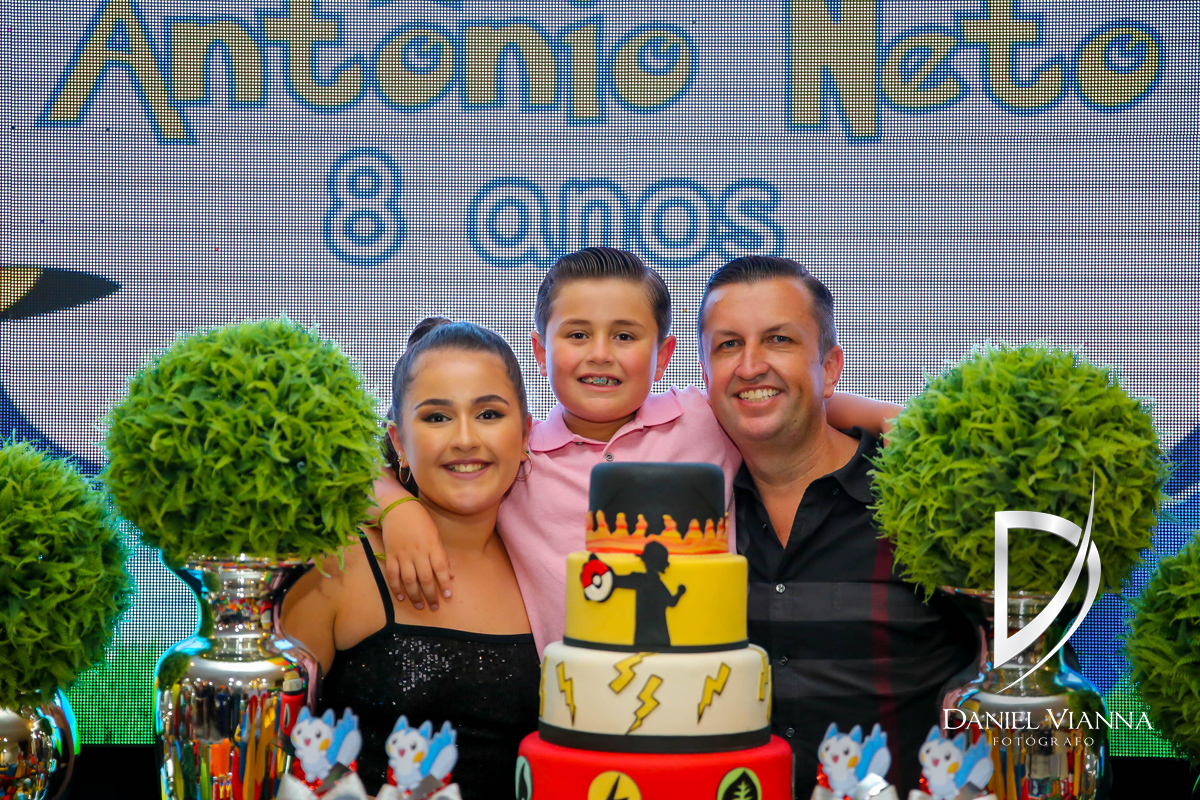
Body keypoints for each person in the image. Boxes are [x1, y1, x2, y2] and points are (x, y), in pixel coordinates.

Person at [372, 247, 897, 654]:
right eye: (577, 335)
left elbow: (786, 397)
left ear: (663, 355)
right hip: (581, 716)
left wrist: (890, 419)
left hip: (705, 705)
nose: (600, 355)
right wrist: (397, 509)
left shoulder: (702, 419)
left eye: (624, 336)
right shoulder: (519, 453)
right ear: (540, 351)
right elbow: (375, 461)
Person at [696, 255, 979, 798]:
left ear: (829, 369)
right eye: (728, 345)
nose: (750, 365)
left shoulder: (924, 498)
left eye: (779, 340)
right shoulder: (690, 510)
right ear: (705, 379)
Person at [280, 318, 541, 796]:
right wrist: (396, 508)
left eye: (489, 414)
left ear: (525, 433)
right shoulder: (339, 566)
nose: (466, 439)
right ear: (399, 441)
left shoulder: (544, 560)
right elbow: (271, 756)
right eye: (437, 417)